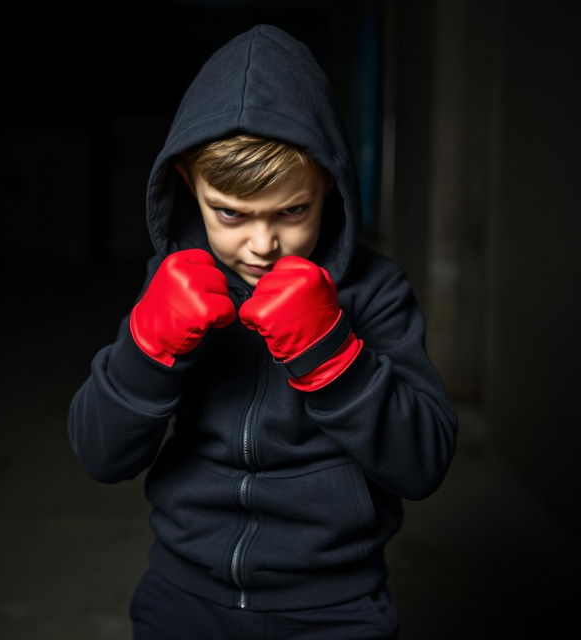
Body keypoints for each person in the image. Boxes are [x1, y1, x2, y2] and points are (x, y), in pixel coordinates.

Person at [68, 24, 458, 640]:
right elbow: (99, 454)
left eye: (292, 211)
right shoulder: (168, 283)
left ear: (330, 184)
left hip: (334, 605)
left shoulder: (375, 290)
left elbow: (426, 463)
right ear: (188, 186)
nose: (262, 243)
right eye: (230, 213)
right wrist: (147, 351)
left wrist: (333, 354)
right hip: (183, 593)